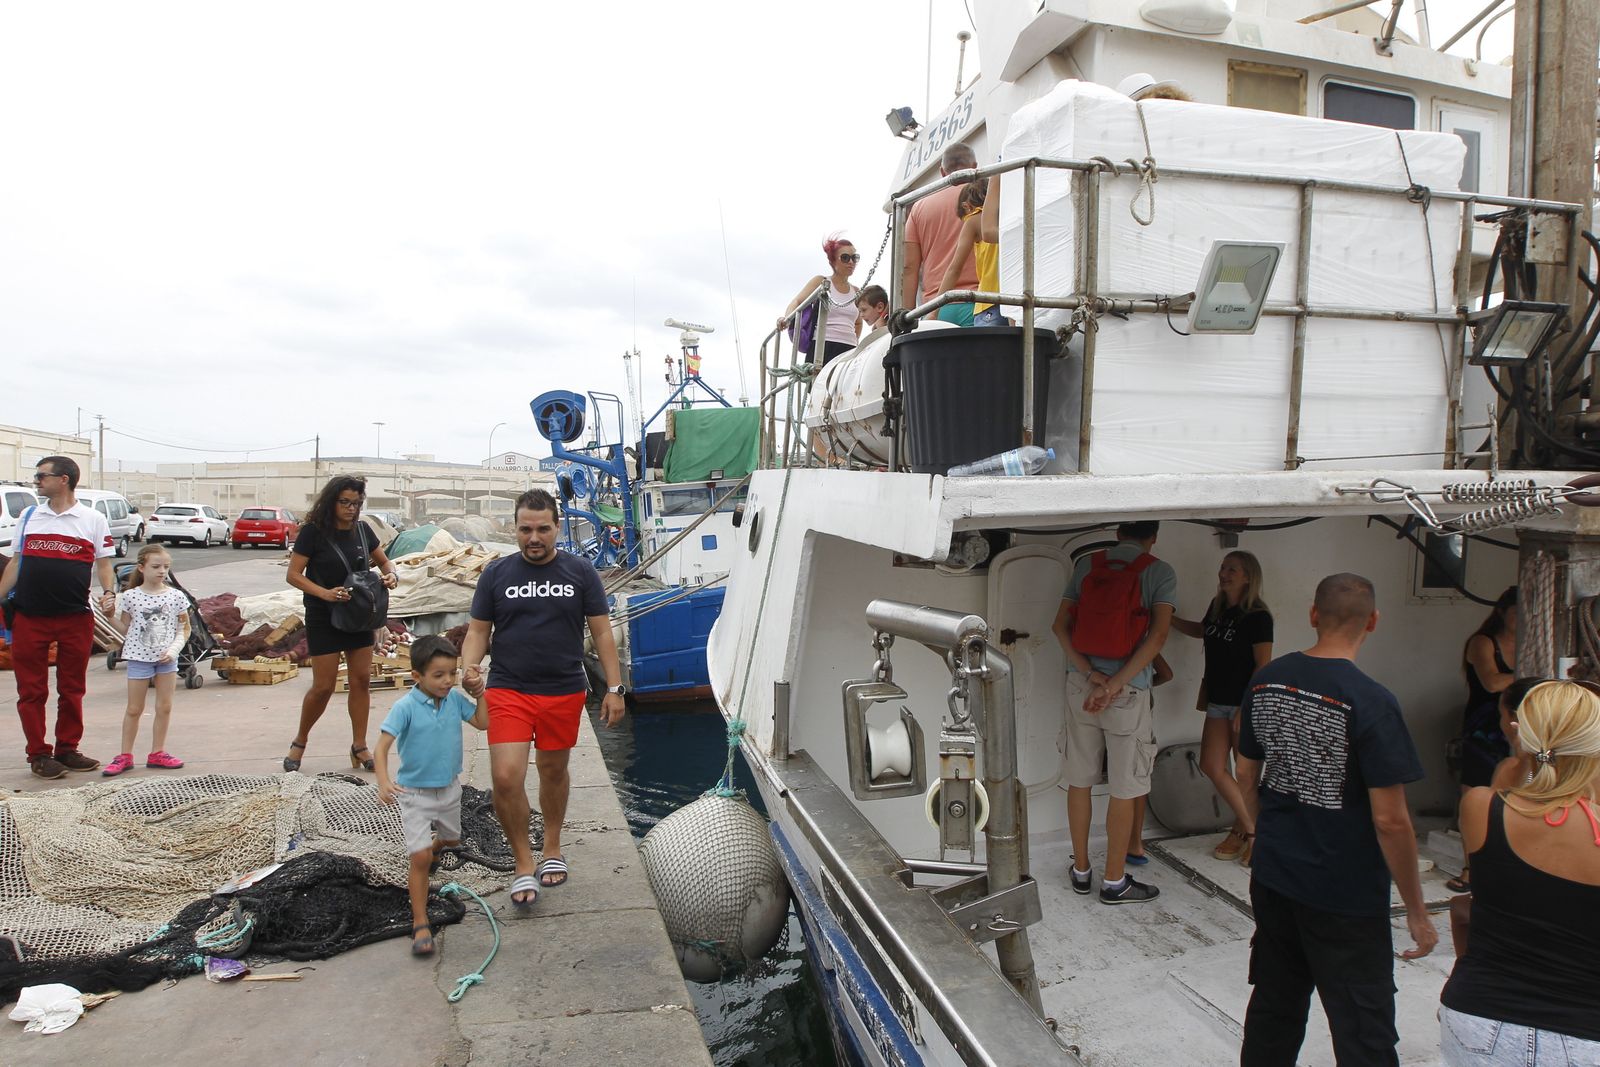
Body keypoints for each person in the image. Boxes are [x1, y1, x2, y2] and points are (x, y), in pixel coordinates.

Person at [1235, 573, 1437, 1067]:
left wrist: (1265, 831)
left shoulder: (1268, 678)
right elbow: (1391, 821)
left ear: (1312, 615)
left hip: (1275, 875)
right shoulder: (1372, 701)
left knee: (1275, 1007)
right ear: (1373, 622)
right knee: (1363, 1029)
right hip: (1344, 895)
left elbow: (1244, 771)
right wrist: (1416, 910)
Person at [461, 489, 627, 908]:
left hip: (562, 690)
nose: (534, 537)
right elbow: (478, 630)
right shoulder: (496, 575)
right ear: (514, 529)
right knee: (505, 777)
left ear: (557, 527)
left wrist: (613, 688)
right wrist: (470, 667)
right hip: (508, 688)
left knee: (553, 771)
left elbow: (602, 631)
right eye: (525, 529)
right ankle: (522, 862)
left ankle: (551, 846)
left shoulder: (581, 571)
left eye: (542, 529)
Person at [1438, 680, 1600, 1064]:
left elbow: (1516, 796)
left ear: (1520, 733)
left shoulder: (1482, 808)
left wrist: (1523, 758)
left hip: (1478, 1017)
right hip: (1583, 1030)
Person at [1050, 520, 1176, 904]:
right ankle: (1114, 881)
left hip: (1081, 686)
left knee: (1080, 780)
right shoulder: (1159, 572)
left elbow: (1059, 627)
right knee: (1125, 787)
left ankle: (1082, 870)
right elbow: (1157, 637)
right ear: (1153, 538)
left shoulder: (1088, 564)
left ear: (1118, 532)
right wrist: (1115, 683)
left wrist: (1092, 676)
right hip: (1127, 692)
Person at [375, 634, 489, 956]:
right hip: (414, 794)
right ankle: (420, 922)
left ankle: (436, 847)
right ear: (417, 677)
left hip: (450, 789)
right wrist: (383, 780)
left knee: (453, 840)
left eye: (451, 673)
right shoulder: (405, 707)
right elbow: (381, 747)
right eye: (438, 675)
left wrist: (480, 693)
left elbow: (483, 722)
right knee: (420, 858)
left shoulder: (454, 701)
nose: (447, 681)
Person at [0, 456, 113, 779]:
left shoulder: (92, 519)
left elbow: (104, 563)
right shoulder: (30, 515)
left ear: (64, 479)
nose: (36, 481)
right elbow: (16, 562)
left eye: (41, 476)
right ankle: (38, 754)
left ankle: (67, 748)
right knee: (32, 690)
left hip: (75, 617)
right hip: (30, 616)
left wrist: (109, 592)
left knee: (72, 688)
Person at [283, 476, 400, 773]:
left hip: (358, 615)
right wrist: (325, 594)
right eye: (345, 502)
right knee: (322, 686)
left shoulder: (363, 530)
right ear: (332, 501)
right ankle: (300, 741)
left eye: (356, 503)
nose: (351, 509)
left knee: (361, 680)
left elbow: (385, 562)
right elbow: (294, 575)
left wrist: (391, 575)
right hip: (323, 616)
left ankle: (359, 746)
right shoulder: (313, 533)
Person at [1171, 550, 1273, 865]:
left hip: (1244, 704)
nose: (1224, 573)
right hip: (1217, 700)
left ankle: (1242, 832)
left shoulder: (1258, 616)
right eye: (1223, 567)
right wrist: (1167, 619)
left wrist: (1247, 705)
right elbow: (1203, 630)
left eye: (1232, 569)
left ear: (1248, 576)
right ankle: (1254, 830)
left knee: (1245, 775)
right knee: (1213, 766)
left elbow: (1263, 665)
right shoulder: (1217, 608)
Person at [1450, 586, 1518, 892]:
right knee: (1473, 796)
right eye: (1517, 613)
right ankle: (1469, 869)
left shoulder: (1531, 641)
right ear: (1502, 612)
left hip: (1517, 726)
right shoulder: (1482, 642)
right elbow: (1492, 682)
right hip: (1484, 728)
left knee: (1513, 795)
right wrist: (1537, 672)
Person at [102, 545, 191, 776]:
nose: (162, 571)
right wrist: (110, 617)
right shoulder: (130, 596)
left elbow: (184, 628)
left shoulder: (176, 596)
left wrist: (173, 651)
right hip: (138, 658)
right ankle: (125, 755)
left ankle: (158, 752)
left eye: (166, 567)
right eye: (156, 566)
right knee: (134, 708)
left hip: (166, 661)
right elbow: (125, 628)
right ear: (141, 568)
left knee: (164, 706)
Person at [901, 143, 979, 322]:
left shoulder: (919, 207)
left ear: (942, 172)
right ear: (975, 167)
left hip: (935, 309)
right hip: (978, 303)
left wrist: (907, 316)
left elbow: (909, 267)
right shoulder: (984, 198)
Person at [779, 235, 861, 366]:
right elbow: (797, 302)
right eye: (845, 258)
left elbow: (858, 322)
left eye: (854, 258)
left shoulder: (857, 291)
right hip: (823, 346)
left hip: (849, 349)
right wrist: (787, 318)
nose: (851, 262)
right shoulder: (821, 282)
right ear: (832, 261)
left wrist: (854, 340)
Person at [938, 178, 1002, 326]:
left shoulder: (973, 220)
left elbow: (955, 268)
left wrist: (934, 309)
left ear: (967, 207)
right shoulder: (1006, 214)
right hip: (1014, 298)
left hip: (988, 301)